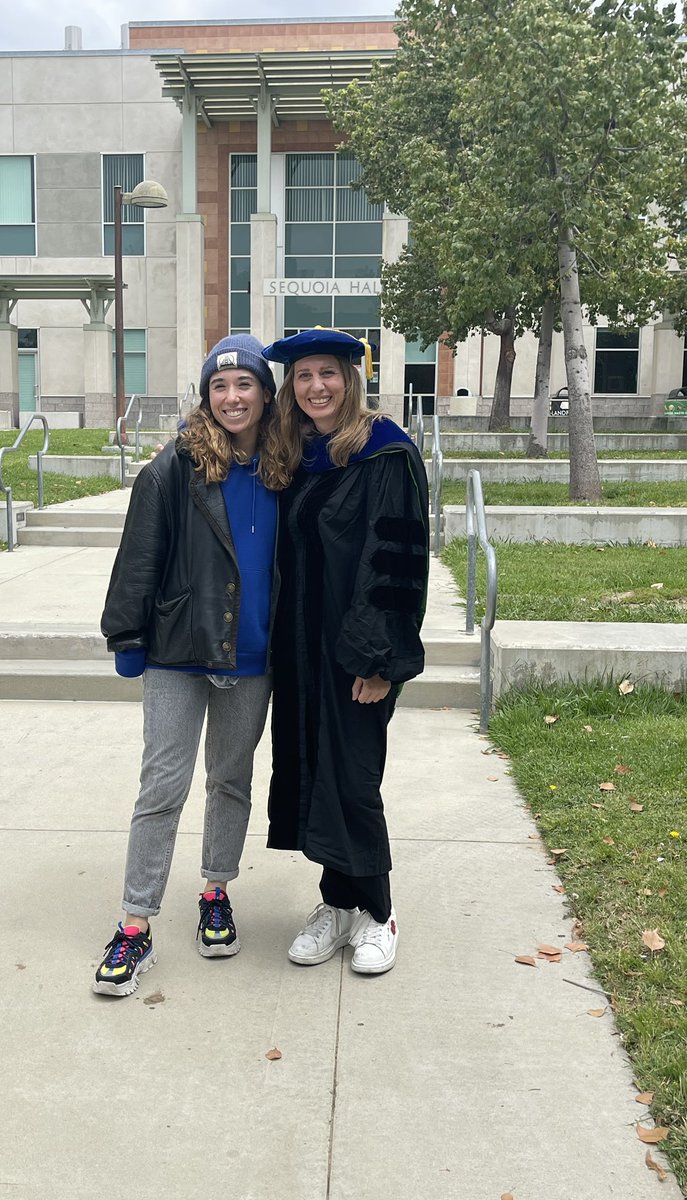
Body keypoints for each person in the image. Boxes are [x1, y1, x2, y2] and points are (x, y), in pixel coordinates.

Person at [94, 334, 285, 997]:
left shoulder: (288, 466)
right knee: (162, 787)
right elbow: (140, 551)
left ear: (265, 393)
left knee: (230, 780)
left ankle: (214, 892)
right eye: (219, 386)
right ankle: (134, 924)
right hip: (178, 651)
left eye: (245, 384)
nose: (232, 397)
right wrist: (127, 634)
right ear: (206, 397)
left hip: (255, 655)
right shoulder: (174, 467)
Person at [264, 328, 429, 976]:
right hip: (302, 650)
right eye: (303, 377)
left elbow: (397, 564)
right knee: (317, 773)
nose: (316, 387)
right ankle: (336, 904)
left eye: (327, 373)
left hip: (359, 651)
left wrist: (378, 661)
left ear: (350, 379)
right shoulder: (298, 453)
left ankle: (378, 912)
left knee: (355, 779)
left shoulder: (385, 454)